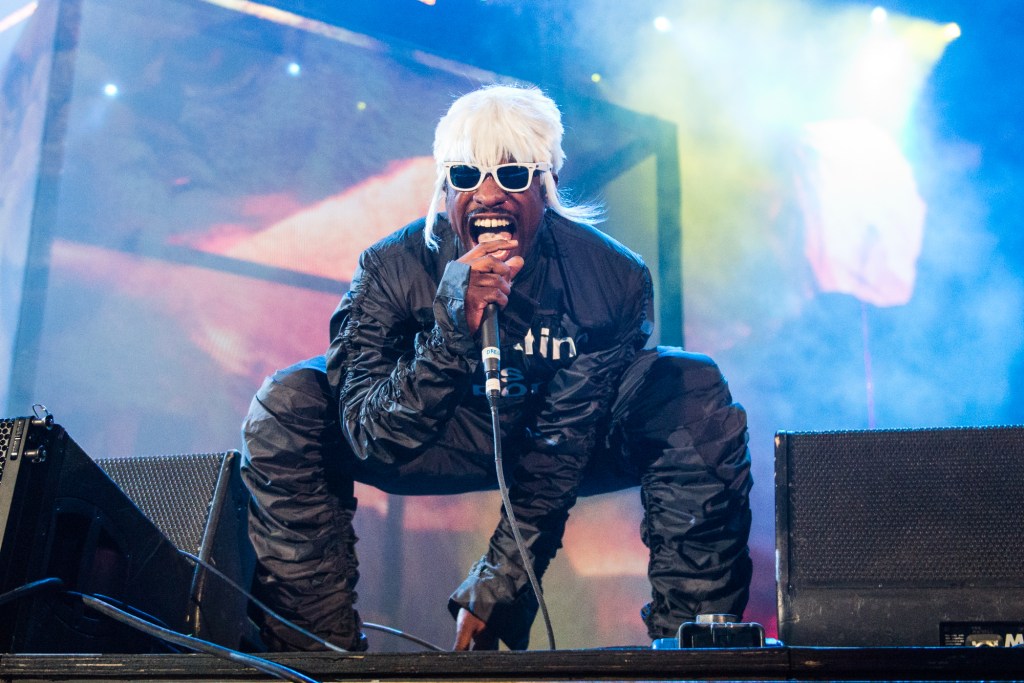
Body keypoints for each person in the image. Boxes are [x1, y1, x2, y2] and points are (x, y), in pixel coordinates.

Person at [240, 84, 752, 652]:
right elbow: (371, 438)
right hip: (435, 435)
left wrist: (498, 584)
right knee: (288, 401)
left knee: (689, 384)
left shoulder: (610, 277)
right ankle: (314, 657)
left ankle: (697, 653)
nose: (487, 196)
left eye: (511, 177)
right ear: (444, 186)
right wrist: (450, 330)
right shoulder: (389, 267)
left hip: (554, 437)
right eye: (465, 177)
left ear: (545, 182)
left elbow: (561, 449)